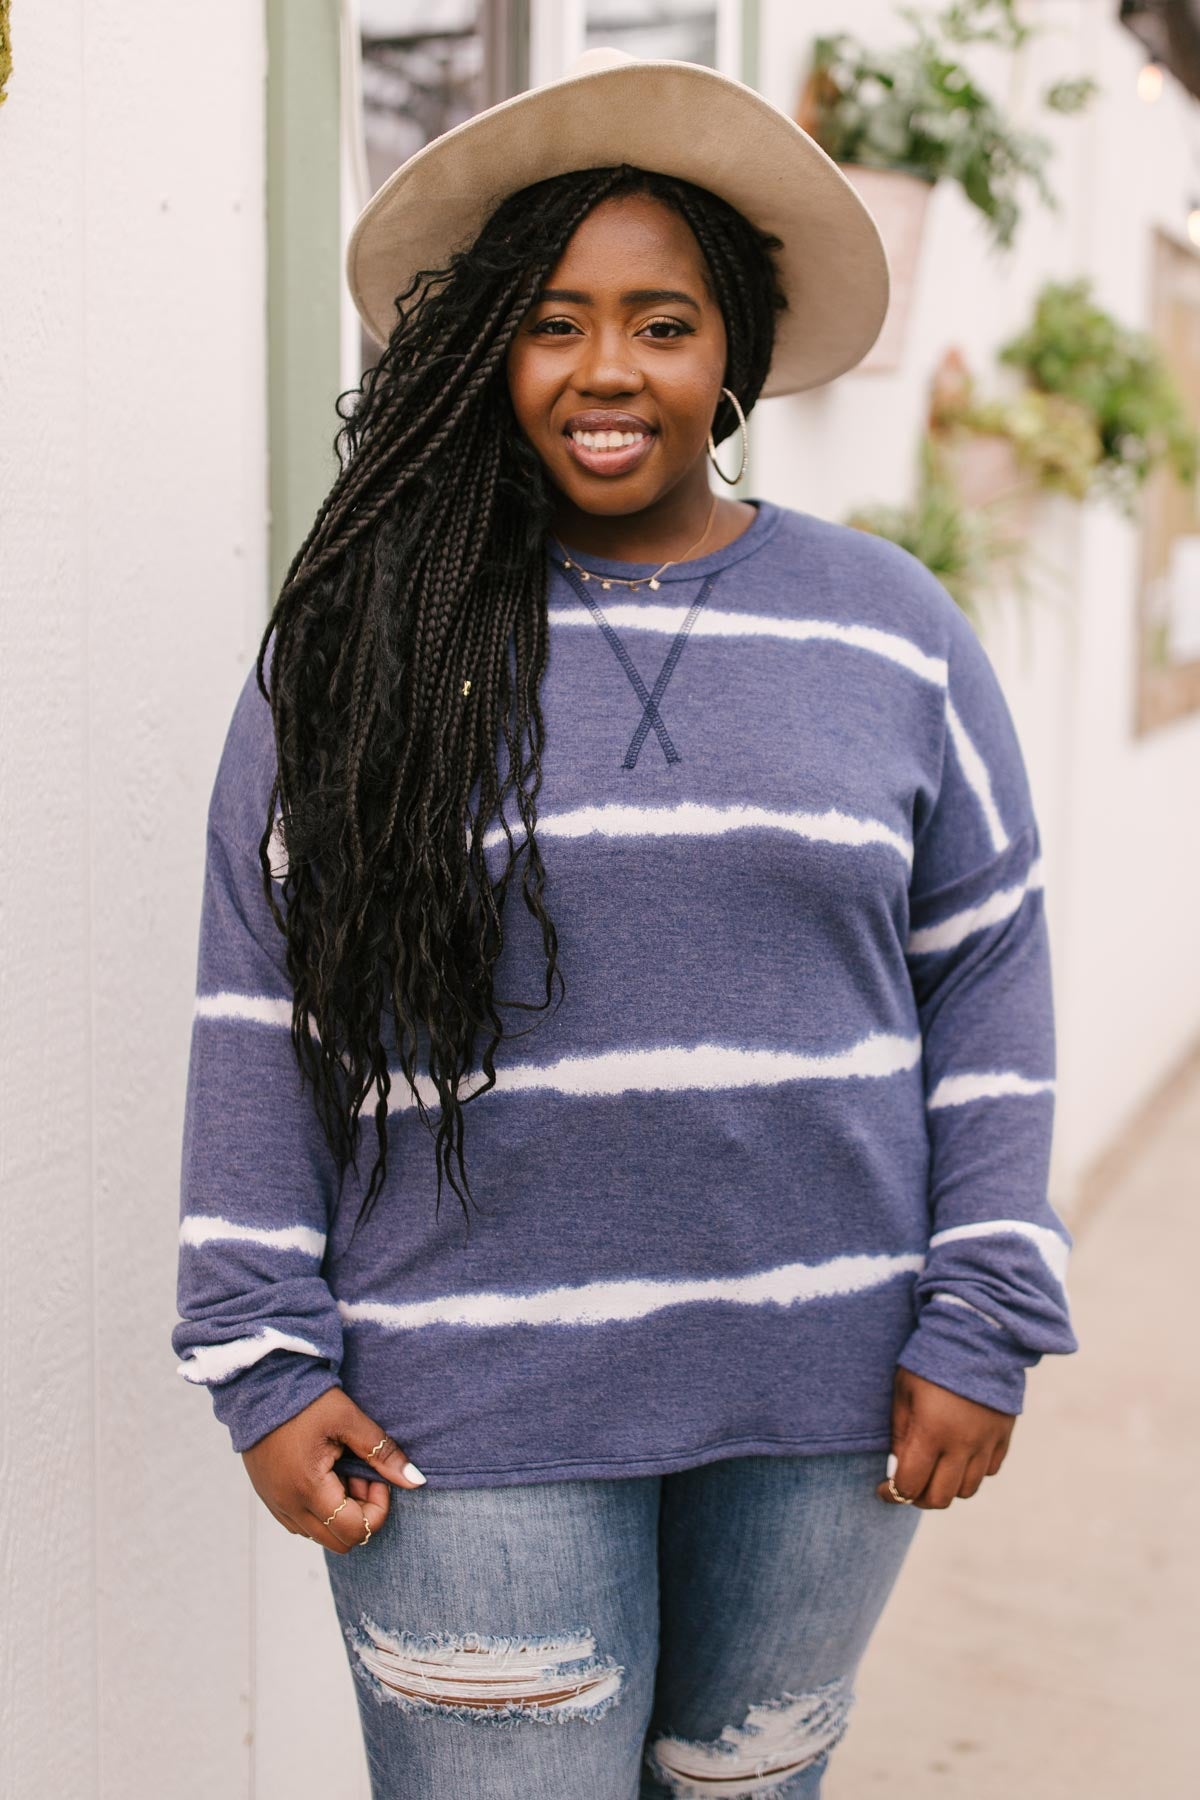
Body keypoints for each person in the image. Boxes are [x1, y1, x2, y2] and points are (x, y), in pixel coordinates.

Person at [172, 45, 1080, 1799]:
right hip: (468, 1414)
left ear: (732, 349)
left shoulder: (890, 628)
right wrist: (259, 1351)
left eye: (664, 323)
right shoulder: (362, 645)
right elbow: (258, 992)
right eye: (553, 322)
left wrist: (986, 1304)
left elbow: (988, 969)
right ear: (485, 347)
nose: (607, 370)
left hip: (826, 1403)